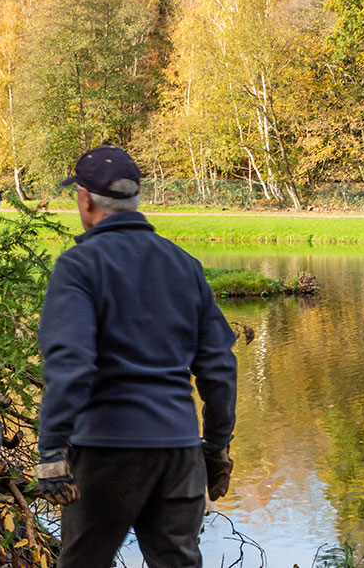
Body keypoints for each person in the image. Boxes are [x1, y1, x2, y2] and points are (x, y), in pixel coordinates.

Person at [35, 145, 237, 567]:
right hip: (179, 453)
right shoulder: (185, 265)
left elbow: (71, 364)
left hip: (105, 451)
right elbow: (218, 365)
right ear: (135, 198)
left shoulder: (79, 266)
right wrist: (216, 446)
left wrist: (52, 450)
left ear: (85, 199)